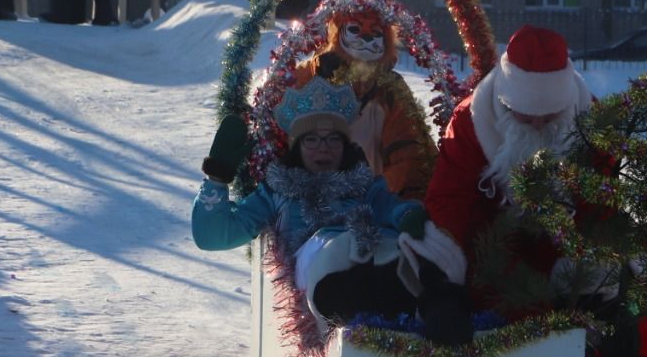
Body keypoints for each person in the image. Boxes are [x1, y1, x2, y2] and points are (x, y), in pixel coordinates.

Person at [411, 25, 647, 357]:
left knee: (619, 292)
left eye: (549, 117)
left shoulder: (590, 124)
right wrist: (441, 284)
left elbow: (601, 207)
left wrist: (588, 263)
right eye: (529, 118)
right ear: (509, 103)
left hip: (568, 250)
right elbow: (448, 204)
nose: (540, 126)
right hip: (493, 256)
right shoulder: (471, 122)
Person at [192, 77, 462, 339]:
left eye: (333, 139)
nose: (324, 149)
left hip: (374, 254)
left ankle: (438, 306)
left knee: (412, 248)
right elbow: (214, 235)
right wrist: (217, 178)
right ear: (298, 146)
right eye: (312, 140)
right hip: (320, 270)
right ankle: (389, 307)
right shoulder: (277, 190)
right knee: (339, 257)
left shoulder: (364, 185)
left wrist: (408, 215)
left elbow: (390, 207)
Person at [292, 3, 436, 199]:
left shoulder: (391, 91)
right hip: (309, 204)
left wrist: (387, 202)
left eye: (375, 32)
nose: (366, 37)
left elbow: (409, 156)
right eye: (354, 29)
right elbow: (282, 128)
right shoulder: (312, 76)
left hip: (371, 209)